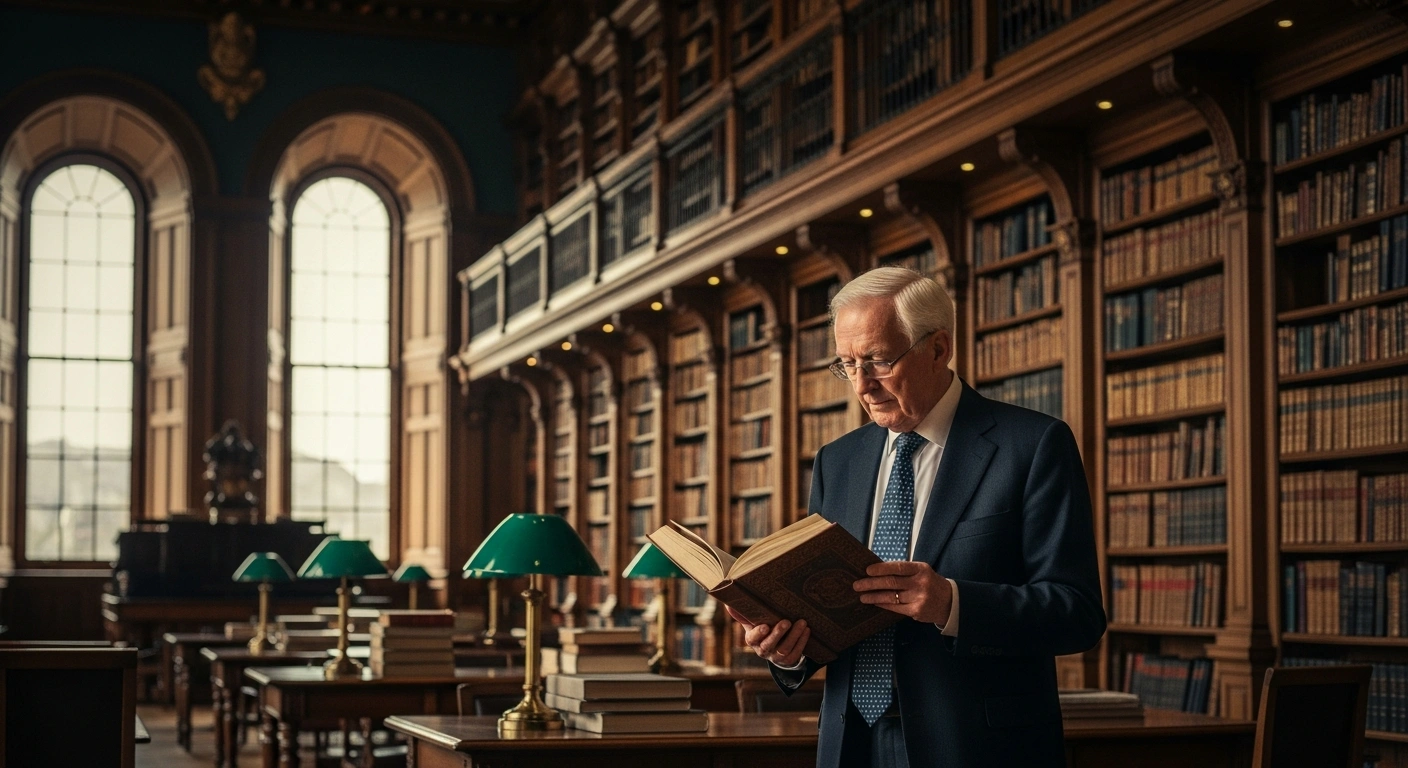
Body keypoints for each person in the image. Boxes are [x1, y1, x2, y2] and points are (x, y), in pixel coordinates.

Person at [729, 266, 1105, 768]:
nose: (863, 385)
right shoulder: (836, 462)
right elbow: (832, 612)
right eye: (847, 364)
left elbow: (1076, 613)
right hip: (849, 742)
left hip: (975, 745)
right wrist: (789, 650)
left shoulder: (1032, 445)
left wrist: (952, 602)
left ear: (939, 348)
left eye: (879, 361)